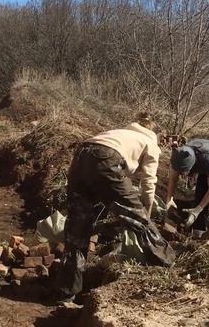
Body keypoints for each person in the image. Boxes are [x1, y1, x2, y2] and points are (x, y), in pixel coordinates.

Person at [54, 113, 175, 303]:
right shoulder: (150, 142)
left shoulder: (120, 133)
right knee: (139, 219)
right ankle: (168, 263)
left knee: (77, 230)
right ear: (154, 132)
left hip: (81, 157)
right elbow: (148, 182)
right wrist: (146, 211)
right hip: (106, 159)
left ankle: (67, 292)